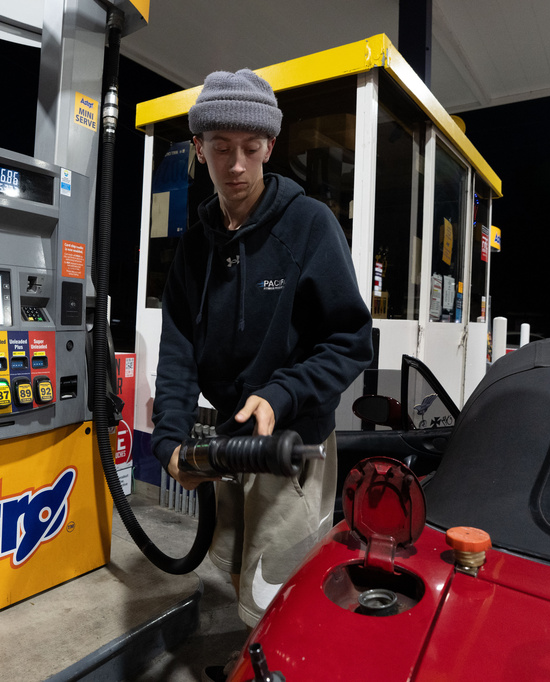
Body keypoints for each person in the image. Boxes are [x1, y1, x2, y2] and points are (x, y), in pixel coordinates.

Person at [149, 68, 374, 676]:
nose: (237, 166)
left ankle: (286, 665)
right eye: (221, 148)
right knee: (238, 571)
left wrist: (281, 394)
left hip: (291, 442)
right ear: (199, 149)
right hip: (226, 437)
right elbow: (177, 350)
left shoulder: (308, 226)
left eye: (251, 149)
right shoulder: (195, 244)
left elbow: (350, 340)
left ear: (270, 148)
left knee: (283, 583)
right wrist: (170, 437)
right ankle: (258, 659)